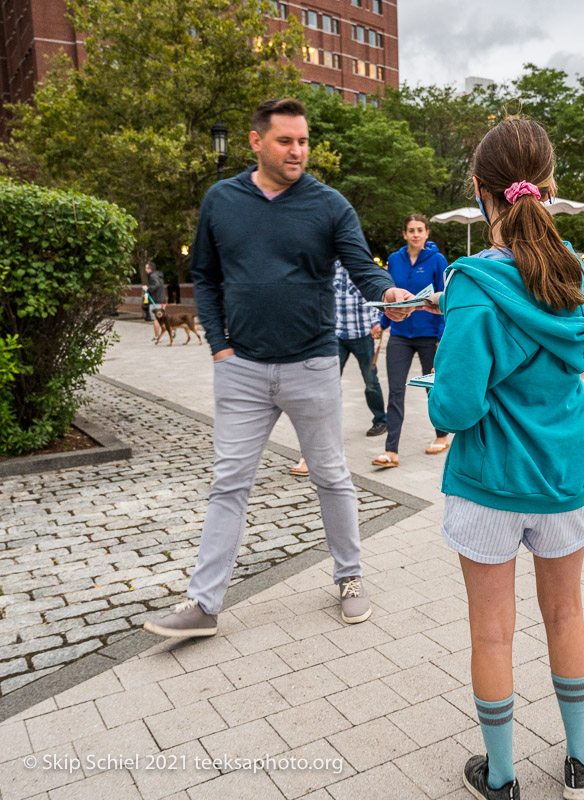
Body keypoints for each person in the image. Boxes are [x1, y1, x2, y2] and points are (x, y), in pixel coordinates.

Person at [143, 98, 412, 638]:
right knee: (228, 484)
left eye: (304, 141)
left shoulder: (329, 204)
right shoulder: (222, 200)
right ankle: (203, 605)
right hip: (241, 369)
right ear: (256, 141)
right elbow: (206, 275)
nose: (298, 151)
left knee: (332, 476)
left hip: (312, 363)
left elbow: (362, 268)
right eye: (286, 141)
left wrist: (389, 293)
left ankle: (350, 576)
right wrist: (219, 345)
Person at [424, 117, 584, 800]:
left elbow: (455, 408)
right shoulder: (577, 276)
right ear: (548, 187)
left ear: (482, 193)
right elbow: (577, 358)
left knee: (492, 635)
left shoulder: (472, 284)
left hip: (487, 485)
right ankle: (579, 761)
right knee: (567, 615)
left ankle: (501, 776)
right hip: (564, 476)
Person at [289, 260, 389, 476]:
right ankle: (323, 438)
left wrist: (377, 322)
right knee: (328, 385)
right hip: (336, 334)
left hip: (363, 333)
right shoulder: (328, 266)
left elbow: (373, 295)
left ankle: (381, 420)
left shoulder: (359, 266)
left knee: (370, 381)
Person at [371, 215, 449, 469]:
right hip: (401, 334)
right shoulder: (394, 260)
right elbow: (391, 297)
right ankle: (391, 451)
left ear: (427, 233)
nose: (415, 234)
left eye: (420, 230)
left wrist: (442, 337)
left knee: (431, 387)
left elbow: (445, 300)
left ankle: (441, 435)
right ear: (404, 234)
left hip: (430, 335)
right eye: (411, 231)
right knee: (396, 390)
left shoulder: (437, 260)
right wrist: (382, 325)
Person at [143, 261, 166, 341]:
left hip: (155, 301)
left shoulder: (153, 276)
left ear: (150, 269)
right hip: (161, 300)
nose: (145, 270)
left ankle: (157, 336)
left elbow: (156, 285)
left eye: (146, 268)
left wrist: (148, 288)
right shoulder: (158, 276)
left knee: (156, 319)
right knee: (161, 318)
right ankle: (172, 330)